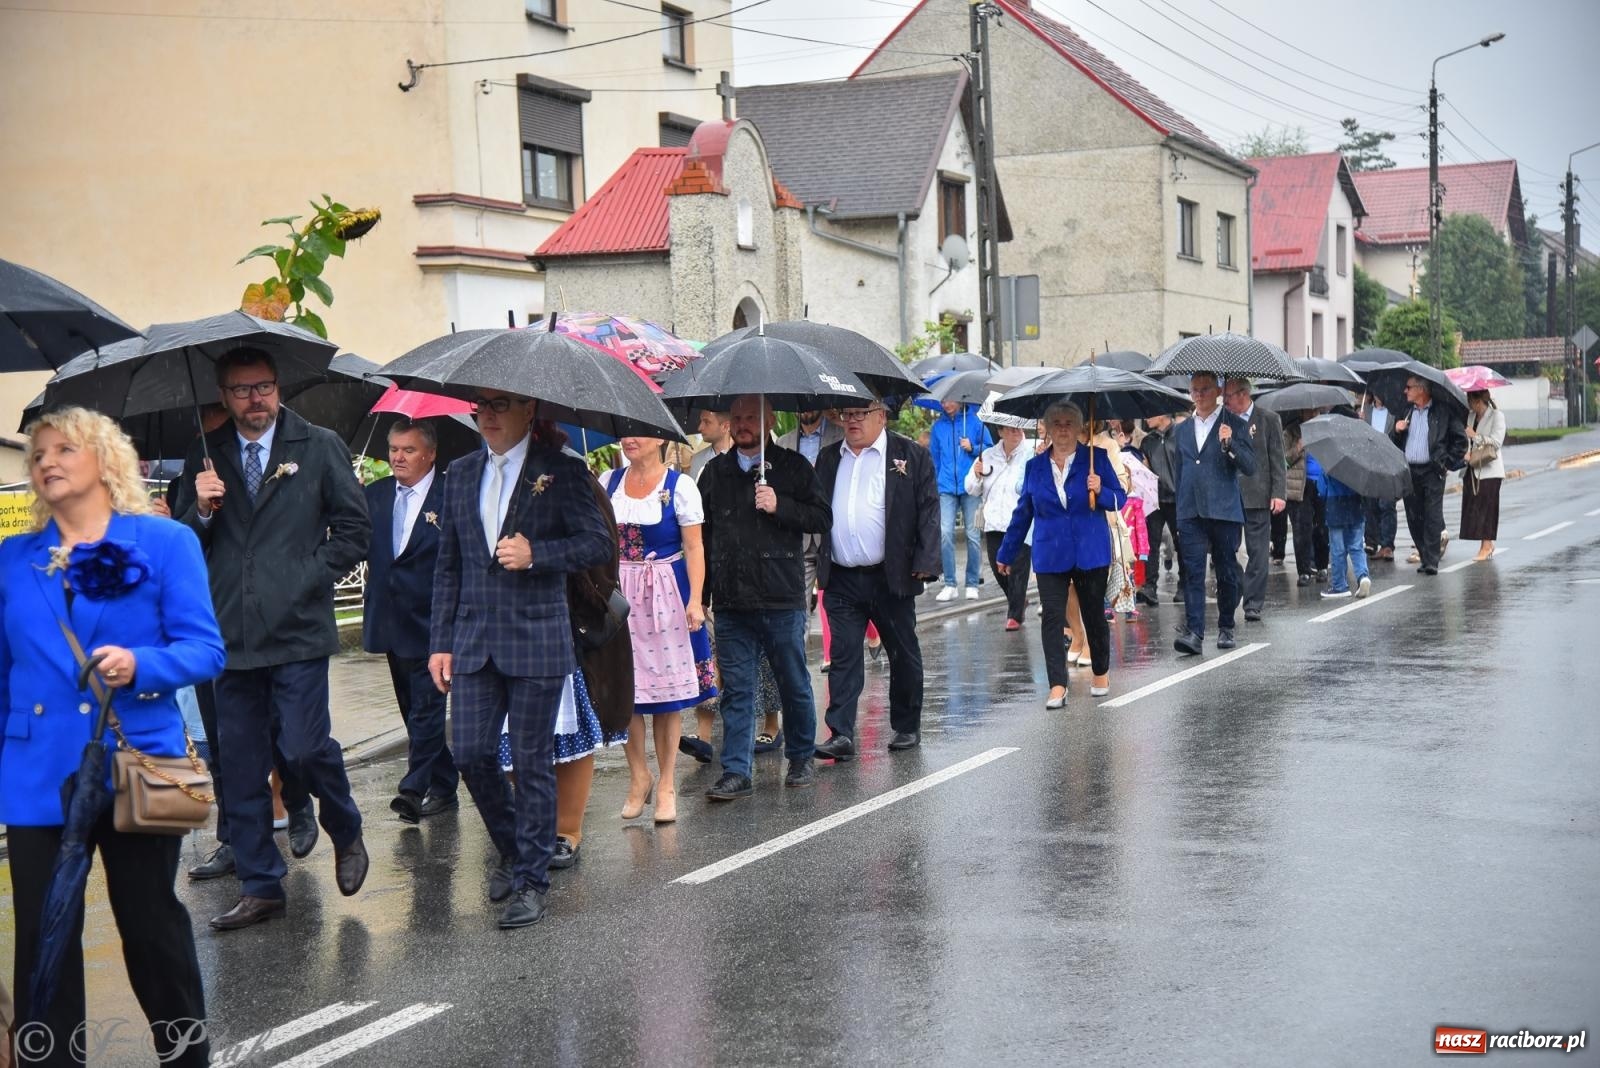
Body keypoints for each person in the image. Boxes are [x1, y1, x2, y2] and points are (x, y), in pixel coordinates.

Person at [4, 407, 225, 1066]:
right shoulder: (13, 558)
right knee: (44, 936)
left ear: (103, 459)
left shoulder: (164, 543)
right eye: (36, 453)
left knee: (151, 925)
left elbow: (205, 650)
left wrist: (142, 665)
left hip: (136, 760)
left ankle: (185, 1056)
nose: (45, 461)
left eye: (63, 448)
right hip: (36, 770)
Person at [179, 347, 371, 930]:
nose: (254, 398)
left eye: (263, 386)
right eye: (241, 390)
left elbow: (356, 530)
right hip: (229, 635)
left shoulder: (317, 446)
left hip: (297, 631)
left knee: (304, 748)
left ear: (277, 387)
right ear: (224, 397)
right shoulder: (204, 456)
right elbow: (183, 544)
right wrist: (204, 512)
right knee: (239, 766)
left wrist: (304, 576)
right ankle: (263, 884)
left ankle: (345, 826)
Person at [430, 393, 611, 928]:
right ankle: (513, 848)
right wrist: (440, 641)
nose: (485, 415)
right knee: (468, 752)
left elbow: (597, 542)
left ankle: (532, 879)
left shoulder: (560, 470)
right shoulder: (461, 472)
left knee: (532, 761)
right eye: (479, 407)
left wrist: (538, 556)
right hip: (472, 641)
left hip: (536, 638)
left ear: (528, 411)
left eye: (499, 406)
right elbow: (449, 567)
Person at [697, 395, 829, 798]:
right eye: (735, 418)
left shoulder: (792, 467)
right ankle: (737, 770)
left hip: (780, 595)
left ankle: (802, 756)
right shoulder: (714, 472)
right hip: (731, 599)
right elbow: (700, 537)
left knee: (792, 682)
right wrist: (700, 595)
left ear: (769, 419)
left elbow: (822, 518)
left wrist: (780, 505)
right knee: (737, 689)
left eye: (750, 416)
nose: (742, 424)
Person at [813, 401, 940, 759]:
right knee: (844, 656)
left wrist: (926, 561)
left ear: (881, 416)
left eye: (861, 414)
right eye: (847, 414)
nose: (852, 421)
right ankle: (841, 732)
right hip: (841, 576)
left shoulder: (909, 455)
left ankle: (905, 725)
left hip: (890, 574)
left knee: (902, 652)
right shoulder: (828, 458)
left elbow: (929, 509)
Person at [607, 435, 716, 826]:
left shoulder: (679, 487)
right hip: (620, 596)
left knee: (667, 696)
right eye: (626, 433)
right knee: (625, 693)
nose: (629, 440)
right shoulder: (608, 481)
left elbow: (695, 548)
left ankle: (667, 783)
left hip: (667, 594)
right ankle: (639, 776)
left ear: (659, 439)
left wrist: (695, 600)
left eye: (639, 433)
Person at [997, 401, 1126, 706]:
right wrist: (1007, 552)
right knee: (1052, 618)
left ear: (1080, 427)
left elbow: (1119, 498)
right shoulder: (1035, 467)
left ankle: (1100, 671)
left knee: (1094, 614)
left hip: (1090, 551)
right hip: (1050, 553)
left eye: (1069, 423)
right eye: (1057, 423)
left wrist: (1101, 490)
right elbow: (1023, 512)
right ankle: (1057, 684)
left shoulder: (1097, 459)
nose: (1063, 429)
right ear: (1049, 428)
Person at [363, 418, 458, 824]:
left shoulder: (451, 494)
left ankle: (413, 788)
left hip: (434, 622)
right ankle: (446, 780)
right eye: (394, 450)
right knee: (410, 707)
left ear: (431, 454)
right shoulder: (376, 495)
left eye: (409, 450)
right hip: (390, 619)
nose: (399, 458)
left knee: (426, 709)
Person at [1170, 372, 1256, 656]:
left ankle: (1227, 626)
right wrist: (1181, 507)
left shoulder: (1233, 423)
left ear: (1218, 390)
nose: (1198, 395)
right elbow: (1180, 471)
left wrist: (1230, 445)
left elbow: (1250, 466)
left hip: (1224, 510)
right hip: (1190, 511)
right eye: (1194, 390)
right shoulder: (1181, 430)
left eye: (1204, 389)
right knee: (1193, 573)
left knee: (1226, 571)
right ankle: (1194, 632)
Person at [1222, 378, 1286, 622]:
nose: (1225, 401)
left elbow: (1277, 459)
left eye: (1228, 396)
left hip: (1259, 494)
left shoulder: (1268, 419)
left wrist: (1279, 493)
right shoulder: (1225, 420)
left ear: (1242, 394)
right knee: (1227, 550)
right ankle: (1236, 588)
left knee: (1258, 552)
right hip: (1229, 494)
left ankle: (1253, 603)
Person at [1391, 376, 1467, 575]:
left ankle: (1432, 560)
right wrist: (1397, 431)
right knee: (1414, 516)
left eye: (1408, 387)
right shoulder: (1406, 411)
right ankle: (1424, 556)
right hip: (1410, 471)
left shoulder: (1442, 411)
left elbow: (1460, 441)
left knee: (1432, 515)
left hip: (1433, 470)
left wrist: (1446, 463)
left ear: (1421, 389)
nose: (1405, 391)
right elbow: (1393, 443)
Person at [966, 422, 1033, 629]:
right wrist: (977, 475)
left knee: (1019, 569)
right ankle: (1018, 601)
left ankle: (1014, 615)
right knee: (999, 570)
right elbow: (971, 489)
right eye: (1011, 429)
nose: (1017, 433)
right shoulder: (986, 455)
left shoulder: (1032, 452)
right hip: (994, 521)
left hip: (1021, 522)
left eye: (1019, 428)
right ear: (1001, 432)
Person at [928, 399, 991, 601]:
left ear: (960, 398)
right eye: (943, 401)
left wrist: (972, 447)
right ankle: (950, 583)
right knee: (945, 533)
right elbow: (934, 459)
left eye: (950, 400)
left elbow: (989, 450)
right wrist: (935, 485)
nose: (945, 404)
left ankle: (972, 582)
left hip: (970, 485)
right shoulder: (938, 427)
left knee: (973, 535)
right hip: (946, 487)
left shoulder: (975, 422)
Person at [1138, 413, 1184, 604]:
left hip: (1178, 499)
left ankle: (1185, 586)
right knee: (1150, 544)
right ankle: (1150, 587)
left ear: (1163, 414)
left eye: (1150, 414)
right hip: (1154, 500)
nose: (1145, 418)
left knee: (1181, 544)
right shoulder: (1147, 441)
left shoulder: (1181, 435)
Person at [1314, 460, 1371, 600]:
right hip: (1355, 505)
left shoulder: (1329, 461)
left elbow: (1321, 489)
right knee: (1356, 546)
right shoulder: (1358, 462)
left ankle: (1339, 585)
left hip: (1335, 506)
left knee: (1337, 549)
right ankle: (1362, 576)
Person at [1460, 389, 1505, 561]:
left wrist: (1476, 436)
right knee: (1475, 508)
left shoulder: (1497, 416)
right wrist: (1466, 452)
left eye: (1470, 400)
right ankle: (1486, 544)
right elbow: (1466, 440)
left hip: (1490, 470)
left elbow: (1496, 442)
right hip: (1472, 468)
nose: (1469, 404)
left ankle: (1486, 545)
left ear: (1478, 401)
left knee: (1488, 508)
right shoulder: (1471, 416)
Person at [1360, 392, 1399, 559]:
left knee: (1387, 505)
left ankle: (1387, 545)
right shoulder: (1365, 412)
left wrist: (1398, 430)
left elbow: (1398, 438)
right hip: (1370, 463)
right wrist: (1359, 423)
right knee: (1370, 504)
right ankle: (1371, 541)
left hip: (1388, 463)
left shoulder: (1395, 413)